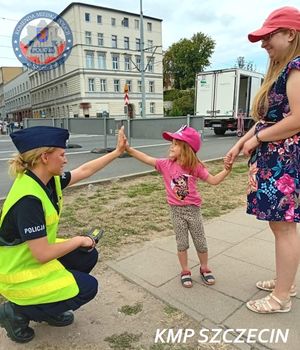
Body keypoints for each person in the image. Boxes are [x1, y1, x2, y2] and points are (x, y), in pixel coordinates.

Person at [0, 125, 126, 343]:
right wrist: (78, 239)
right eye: (62, 154)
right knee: (88, 287)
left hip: (30, 257)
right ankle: (17, 310)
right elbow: (41, 254)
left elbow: (85, 171)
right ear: (45, 157)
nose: (65, 159)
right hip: (18, 270)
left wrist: (116, 152)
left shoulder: (46, 180)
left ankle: (47, 304)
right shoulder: (28, 200)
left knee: (86, 254)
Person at [225, 6, 300, 314]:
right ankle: (287, 281)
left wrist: (255, 140)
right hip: (272, 158)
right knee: (278, 225)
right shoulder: (282, 70)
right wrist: (240, 142)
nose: (263, 44)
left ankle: (282, 297)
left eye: (269, 37)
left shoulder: (297, 66)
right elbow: (265, 120)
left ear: (291, 34)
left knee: (283, 227)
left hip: (283, 160)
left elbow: (298, 119)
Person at [126, 125, 231, 288]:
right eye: (172, 143)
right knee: (181, 243)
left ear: (186, 148)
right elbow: (147, 159)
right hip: (176, 211)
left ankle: (204, 267)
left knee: (200, 242)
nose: (171, 146)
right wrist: (128, 149)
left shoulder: (195, 167)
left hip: (193, 210)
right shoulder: (165, 164)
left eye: (175, 143)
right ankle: (185, 270)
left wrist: (226, 170)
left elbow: (213, 180)